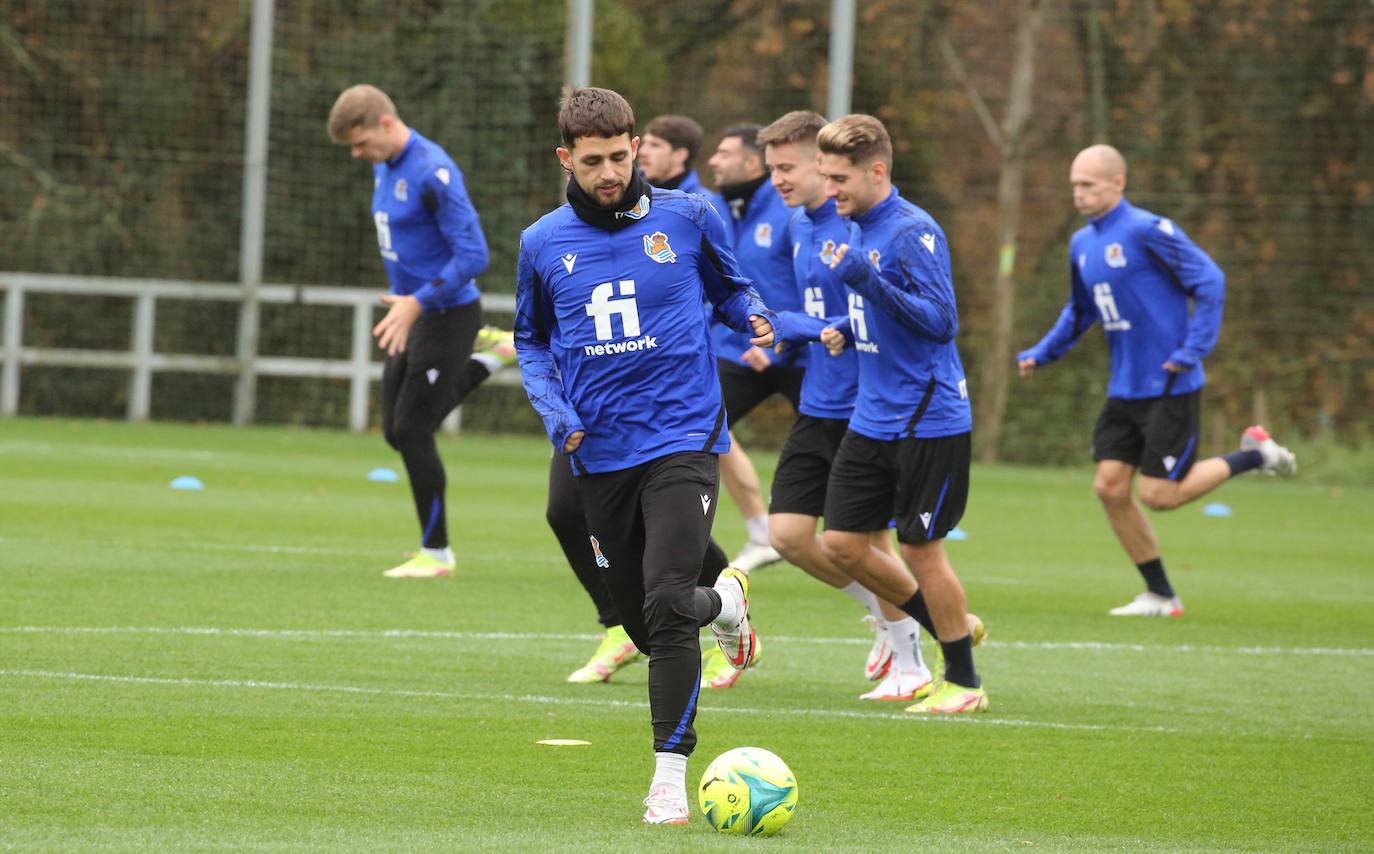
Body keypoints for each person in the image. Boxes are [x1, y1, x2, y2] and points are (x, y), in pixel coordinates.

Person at [515, 86, 776, 824]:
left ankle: (668, 775)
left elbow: (730, 290)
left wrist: (752, 313)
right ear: (567, 158)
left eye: (620, 156)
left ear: (637, 148)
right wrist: (554, 408)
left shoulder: (690, 216)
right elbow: (532, 341)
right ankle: (725, 601)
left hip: (683, 437)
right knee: (640, 623)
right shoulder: (543, 242)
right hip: (600, 448)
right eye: (592, 160)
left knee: (664, 607)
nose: (608, 172)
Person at [1017, 144, 1297, 617]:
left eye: (1087, 184)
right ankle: (1162, 595)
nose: (1078, 194)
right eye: (1073, 185)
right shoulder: (1082, 244)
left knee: (1159, 495)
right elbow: (1081, 309)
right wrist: (1043, 354)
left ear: (1117, 183)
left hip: (1170, 384)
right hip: (1124, 387)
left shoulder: (1149, 230)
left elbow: (1210, 280)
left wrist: (1193, 350)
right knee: (1109, 487)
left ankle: (1256, 454)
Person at [815, 114, 988, 714]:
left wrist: (865, 282)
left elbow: (941, 322)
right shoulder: (856, 224)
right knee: (840, 542)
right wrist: (841, 326)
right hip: (873, 415)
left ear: (877, 171)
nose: (829, 188)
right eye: (825, 175)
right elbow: (881, 310)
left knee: (920, 548)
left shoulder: (913, 230)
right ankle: (953, 625)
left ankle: (963, 682)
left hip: (927, 416)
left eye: (839, 177)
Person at [759, 110, 934, 700]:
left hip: (867, 403)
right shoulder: (797, 229)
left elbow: (888, 311)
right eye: (772, 169)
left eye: (787, 168)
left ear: (823, 164)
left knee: (868, 542)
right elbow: (806, 308)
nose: (779, 180)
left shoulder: (857, 226)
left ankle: (913, 660)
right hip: (819, 399)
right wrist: (789, 327)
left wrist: (831, 327)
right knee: (786, 534)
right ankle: (890, 616)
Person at [328, 84, 515, 579]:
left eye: (361, 142)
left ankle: (437, 553)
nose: (357, 154)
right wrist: (405, 300)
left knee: (413, 429)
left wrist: (418, 298)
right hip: (414, 314)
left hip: (447, 314)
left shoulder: (434, 171)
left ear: (386, 124)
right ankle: (494, 354)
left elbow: (474, 255)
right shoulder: (383, 165)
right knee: (395, 430)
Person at [705, 124, 807, 574]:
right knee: (703, 422)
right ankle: (761, 534)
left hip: (803, 353)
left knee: (851, 446)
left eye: (724, 153)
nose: (714, 161)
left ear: (750, 163)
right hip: (740, 350)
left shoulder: (791, 212)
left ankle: (882, 539)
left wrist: (783, 341)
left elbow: (815, 288)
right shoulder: (720, 209)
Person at [637, 114, 706, 194]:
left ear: (680, 155)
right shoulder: (628, 196)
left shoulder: (701, 204)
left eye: (655, 145)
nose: (642, 152)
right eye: (644, 143)